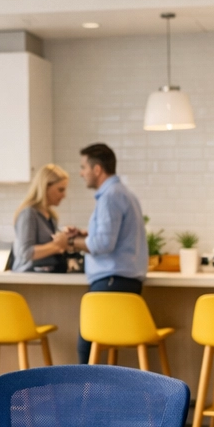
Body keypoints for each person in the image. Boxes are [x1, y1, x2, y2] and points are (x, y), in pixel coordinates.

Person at [77, 142, 148, 362]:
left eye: (83, 167)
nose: (81, 173)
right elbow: (113, 235)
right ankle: (96, 387)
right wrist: (84, 234)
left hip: (111, 281)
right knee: (97, 346)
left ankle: (85, 387)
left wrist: (69, 243)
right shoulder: (124, 193)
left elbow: (104, 244)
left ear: (97, 169)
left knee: (87, 346)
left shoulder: (109, 196)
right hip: (121, 281)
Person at [11, 164, 81, 273]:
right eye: (60, 190)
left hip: (46, 275)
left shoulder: (51, 216)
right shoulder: (29, 213)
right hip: (28, 276)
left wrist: (64, 235)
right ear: (45, 187)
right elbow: (26, 252)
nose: (64, 195)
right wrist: (59, 245)